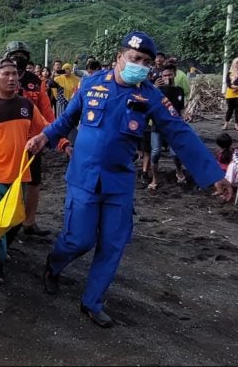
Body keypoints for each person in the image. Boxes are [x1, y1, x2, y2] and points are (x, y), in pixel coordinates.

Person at [25, 31, 234, 328]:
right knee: (79, 239)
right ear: (119, 58)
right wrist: (44, 137)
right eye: (135, 58)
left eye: (146, 61)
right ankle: (53, 266)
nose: (140, 65)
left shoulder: (150, 95)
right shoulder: (91, 84)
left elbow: (180, 133)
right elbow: (66, 120)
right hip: (83, 179)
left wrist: (215, 175)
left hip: (118, 185)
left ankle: (92, 302)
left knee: (113, 244)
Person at [0, 58, 51, 284]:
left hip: (19, 176)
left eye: (15, 74)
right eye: (6, 74)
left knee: (15, 221)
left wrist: (62, 143)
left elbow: (43, 129)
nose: (12, 78)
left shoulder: (26, 106)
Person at [148, 63, 187, 190]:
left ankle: (179, 171)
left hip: (173, 126)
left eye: (169, 74)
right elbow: (147, 102)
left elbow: (180, 109)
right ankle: (154, 178)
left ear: (175, 74)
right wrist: (154, 88)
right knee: (155, 152)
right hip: (157, 126)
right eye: (164, 75)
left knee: (175, 154)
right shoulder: (155, 91)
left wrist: (184, 118)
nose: (167, 77)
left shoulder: (179, 91)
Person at [223, 57, 238, 131]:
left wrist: (237, 87)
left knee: (237, 110)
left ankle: (236, 125)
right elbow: (228, 82)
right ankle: (226, 124)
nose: (237, 64)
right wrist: (233, 86)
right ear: (234, 64)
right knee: (230, 109)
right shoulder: (229, 73)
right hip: (230, 94)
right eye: (236, 63)